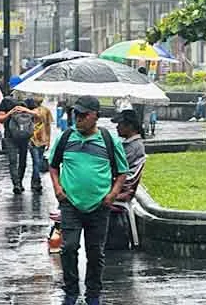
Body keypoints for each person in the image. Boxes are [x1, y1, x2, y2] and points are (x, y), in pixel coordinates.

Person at [49, 95, 128, 305]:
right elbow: (53, 165)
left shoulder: (109, 140)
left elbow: (122, 172)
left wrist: (112, 194)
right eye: (77, 114)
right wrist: (57, 187)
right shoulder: (66, 138)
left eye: (84, 115)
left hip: (99, 205)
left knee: (95, 251)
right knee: (69, 247)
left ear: (95, 116)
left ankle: (93, 292)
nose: (79, 119)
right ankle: (71, 289)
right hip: (70, 204)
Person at [0, 92, 40, 194]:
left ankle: (20, 182)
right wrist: (11, 112)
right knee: (13, 160)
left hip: (25, 136)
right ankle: (16, 184)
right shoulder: (6, 101)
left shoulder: (29, 101)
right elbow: (0, 119)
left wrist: (25, 110)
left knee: (23, 161)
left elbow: (38, 114)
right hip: (10, 136)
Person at [29, 96, 54, 190]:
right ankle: (36, 181)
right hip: (32, 139)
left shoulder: (46, 111)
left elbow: (48, 126)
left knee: (37, 161)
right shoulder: (30, 111)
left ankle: (35, 180)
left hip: (42, 139)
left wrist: (48, 140)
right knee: (37, 161)